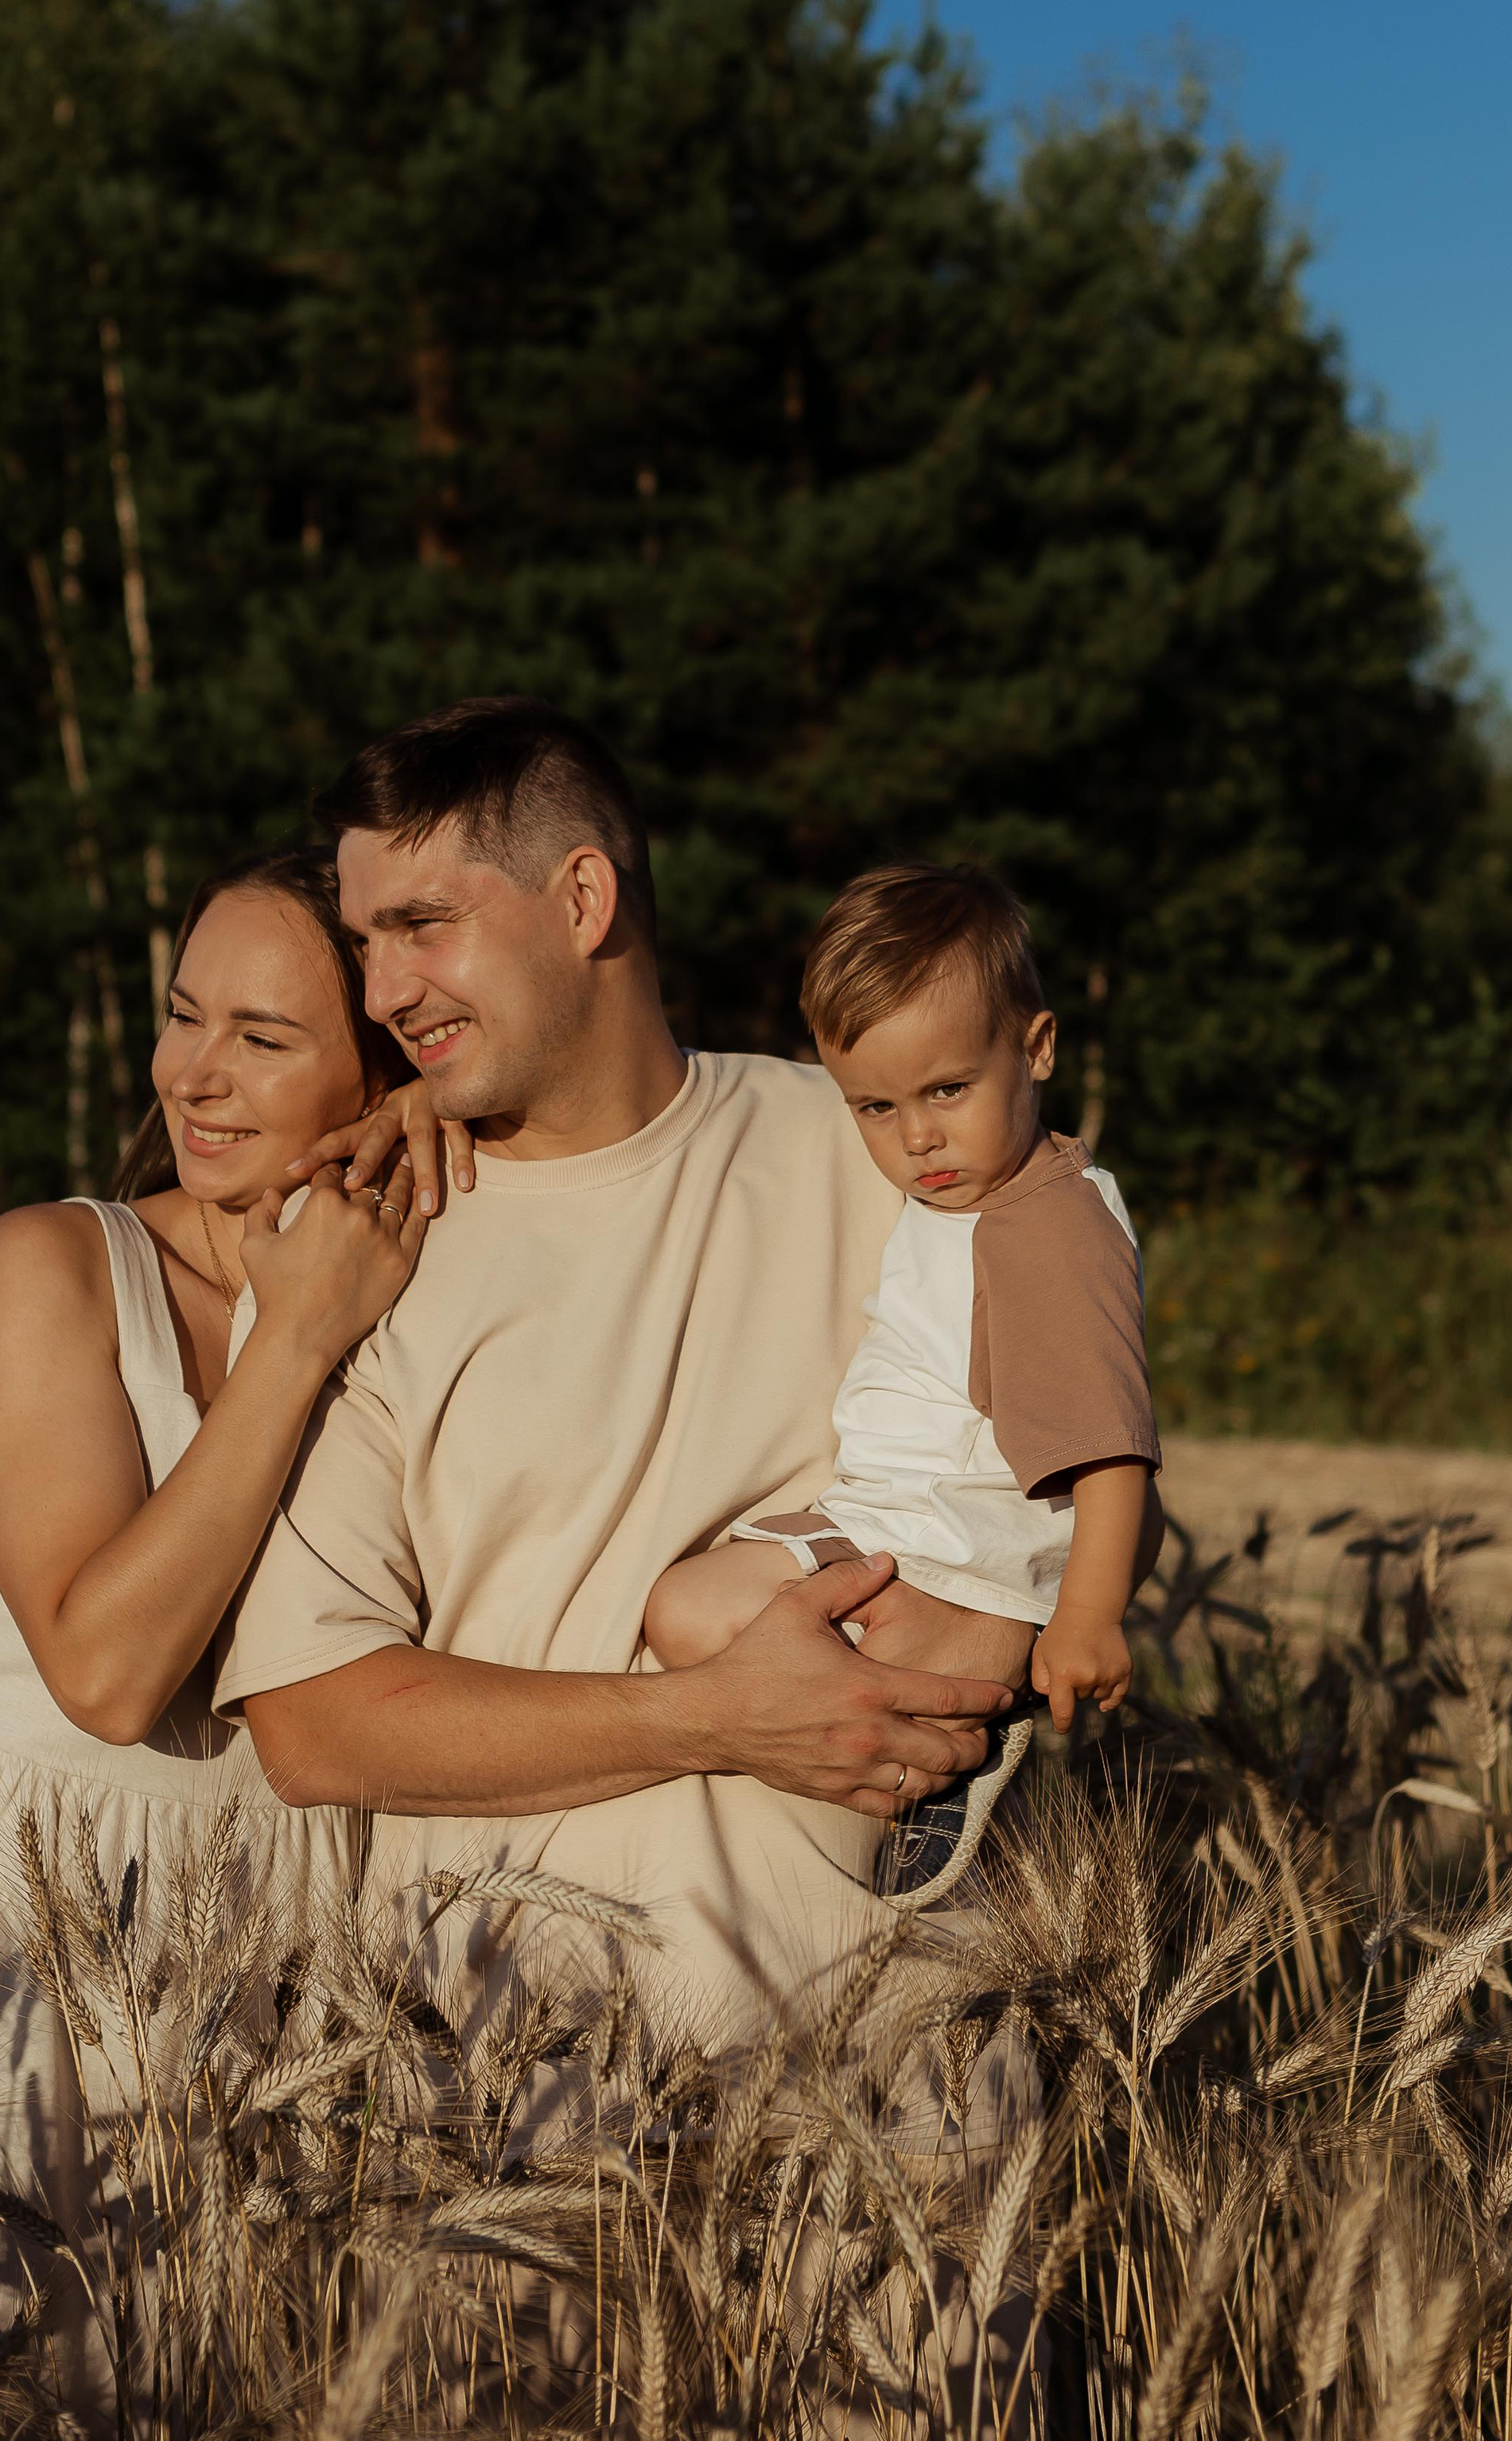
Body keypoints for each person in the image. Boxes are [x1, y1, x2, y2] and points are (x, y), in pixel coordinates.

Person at [0, 846, 451, 2405]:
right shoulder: (53, 1264)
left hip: (261, 1954)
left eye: (260, 1039)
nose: (192, 1074)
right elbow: (106, 1669)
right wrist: (295, 1340)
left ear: (379, 1064)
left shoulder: (418, 1287)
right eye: (181, 1015)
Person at [222, 699, 1018, 2039]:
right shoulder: (355, 1243)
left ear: (583, 896)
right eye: (366, 943)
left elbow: (1091, 1470)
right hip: (495, 2105)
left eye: (423, 926)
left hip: (886, 2090)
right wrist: (714, 1716)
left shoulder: (876, 1152)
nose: (381, 992)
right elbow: (314, 1725)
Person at [644, 861, 1162, 1906]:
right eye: (875, 1106)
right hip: (887, 1522)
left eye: (947, 1091)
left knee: (702, 1629)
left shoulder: (1046, 1232)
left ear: (1039, 1049)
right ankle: (919, 1730)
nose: (916, 1136)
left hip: (952, 1558)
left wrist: (1083, 1620)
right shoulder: (983, 1199)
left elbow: (1111, 1454)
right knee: (685, 1613)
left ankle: (946, 1739)